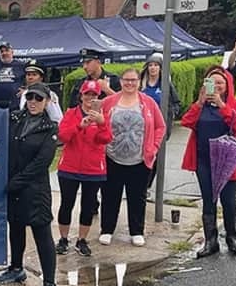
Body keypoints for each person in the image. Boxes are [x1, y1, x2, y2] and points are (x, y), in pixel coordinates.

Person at [0, 82, 61, 286]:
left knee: (42, 235)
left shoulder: (50, 128)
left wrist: (15, 182)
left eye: (38, 98)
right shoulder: (15, 119)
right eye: (30, 97)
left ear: (47, 102)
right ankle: (16, 268)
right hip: (13, 188)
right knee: (16, 227)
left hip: (35, 190)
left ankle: (50, 284)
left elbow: (42, 163)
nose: (33, 102)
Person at [181, 67, 236, 258]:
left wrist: (222, 105)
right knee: (208, 201)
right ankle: (210, 241)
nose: (216, 86)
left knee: (228, 201)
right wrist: (199, 102)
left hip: (227, 160)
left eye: (220, 82)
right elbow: (186, 122)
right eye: (212, 82)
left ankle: (232, 237)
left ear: (227, 85)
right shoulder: (201, 105)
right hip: (204, 160)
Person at [98, 68, 166, 247]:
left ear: (138, 81)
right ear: (120, 81)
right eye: (126, 80)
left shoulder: (148, 102)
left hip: (139, 159)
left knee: (137, 196)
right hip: (112, 157)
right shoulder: (109, 102)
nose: (130, 83)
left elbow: (160, 126)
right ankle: (107, 229)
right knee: (109, 195)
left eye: (133, 80)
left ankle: (137, 231)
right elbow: (98, 124)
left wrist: (154, 147)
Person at [56, 80, 113, 256]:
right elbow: (62, 136)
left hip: (93, 168)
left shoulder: (102, 115)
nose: (90, 98)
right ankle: (64, 239)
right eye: (87, 94)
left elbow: (107, 139)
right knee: (67, 203)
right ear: (81, 96)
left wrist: (102, 123)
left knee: (88, 206)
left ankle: (82, 240)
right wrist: (79, 126)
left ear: (98, 97)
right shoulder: (71, 113)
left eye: (94, 95)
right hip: (70, 167)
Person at [140, 53, 181, 123]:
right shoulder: (140, 84)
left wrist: (171, 115)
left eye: (156, 65)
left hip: (161, 122)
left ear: (160, 68)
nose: (153, 68)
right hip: (143, 122)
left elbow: (176, 102)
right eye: (150, 65)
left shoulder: (166, 84)